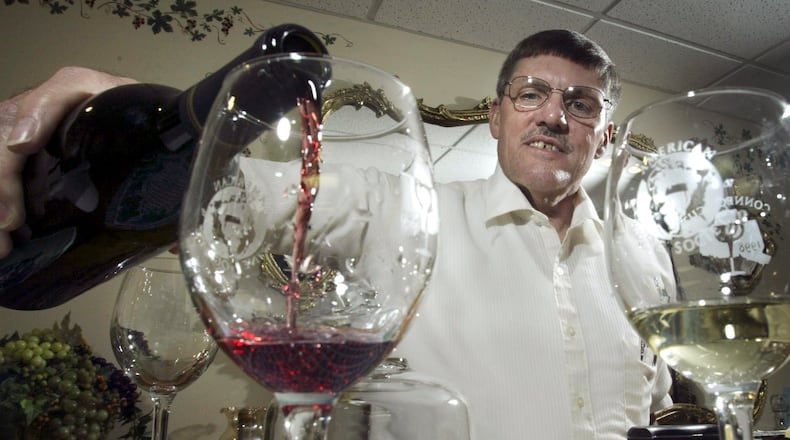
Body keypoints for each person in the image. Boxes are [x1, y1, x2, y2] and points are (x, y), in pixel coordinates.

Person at [0, 30, 673, 438]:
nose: (554, 115)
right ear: (496, 116)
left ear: (605, 134)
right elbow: (235, 189)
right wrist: (114, 101)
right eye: (532, 94)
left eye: (580, 104)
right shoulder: (403, 208)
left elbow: (662, 405)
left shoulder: (650, 258)